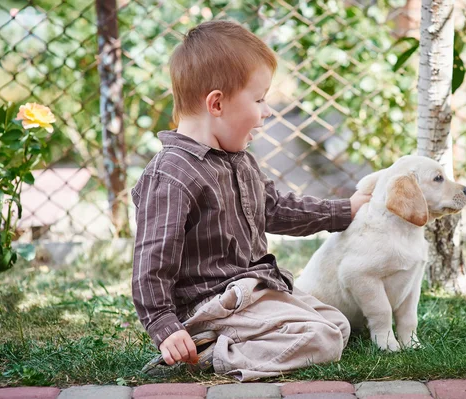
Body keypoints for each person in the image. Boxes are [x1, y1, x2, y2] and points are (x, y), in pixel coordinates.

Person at [131, 20, 371, 381]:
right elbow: (151, 262)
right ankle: (213, 353)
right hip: (211, 304)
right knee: (323, 338)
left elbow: (274, 209)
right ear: (216, 103)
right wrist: (165, 324)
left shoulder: (239, 161)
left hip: (252, 290)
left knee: (336, 323)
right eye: (259, 100)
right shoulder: (171, 174)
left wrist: (344, 210)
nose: (267, 112)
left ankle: (236, 340)